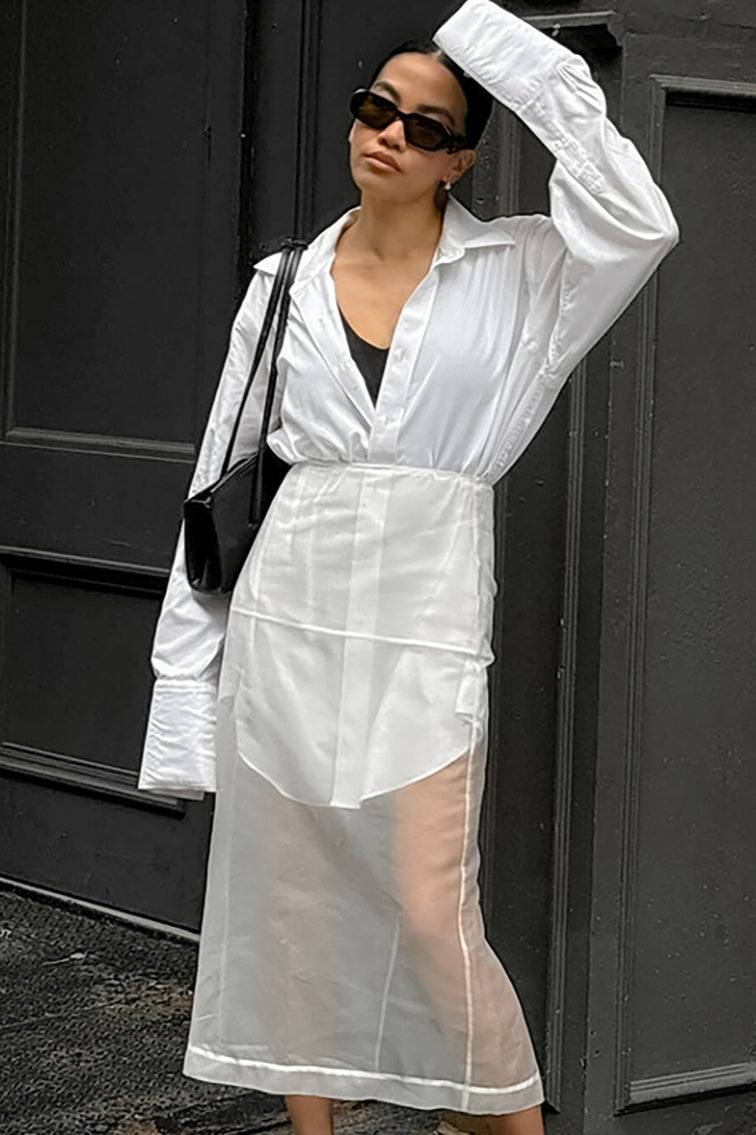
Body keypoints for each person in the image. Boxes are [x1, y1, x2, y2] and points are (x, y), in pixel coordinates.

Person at [137, 2, 679, 1133]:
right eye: (376, 108)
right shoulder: (281, 282)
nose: (390, 134)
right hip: (287, 618)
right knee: (294, 908)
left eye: (427, 127)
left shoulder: (525, 268)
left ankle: (499, 1118)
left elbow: (640, 220)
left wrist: (483, 37)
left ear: (460, 159)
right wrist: (183, 682)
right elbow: (216, 480)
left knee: (433, 913)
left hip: (423, 616)